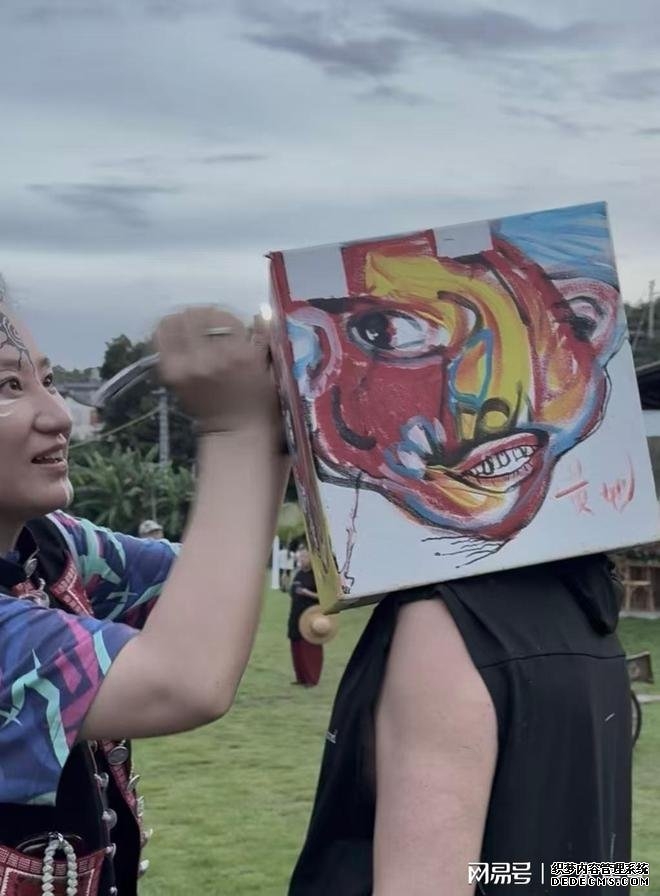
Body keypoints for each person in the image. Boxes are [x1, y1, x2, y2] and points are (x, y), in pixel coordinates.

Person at [0, 299, 288, 896]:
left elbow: (211, 578)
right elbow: (184, 679)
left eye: (48, 381)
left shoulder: (49, 545)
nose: (58, 414)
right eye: (8, 386)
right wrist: (235, 429)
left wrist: (283, 420)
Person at [288, 545, 323, 687]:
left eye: (305, 556)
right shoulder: (298, 573)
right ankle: (300, 677)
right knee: (296, 644)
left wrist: (307, 593)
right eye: (300, 556)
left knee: (309, 646)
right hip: (296, 614)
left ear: (311, 558)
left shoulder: (316, 575)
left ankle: (311, 678)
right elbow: (292, 591)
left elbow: (324, 596)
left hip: (311, 616)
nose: (302, 559)